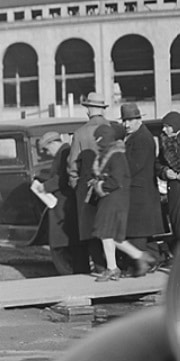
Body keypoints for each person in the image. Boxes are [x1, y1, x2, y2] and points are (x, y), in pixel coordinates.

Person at [89, 122, 156, 281]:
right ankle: (141, 257)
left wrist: (99, 184)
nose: (96, 142)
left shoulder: (115, 155)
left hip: (113, 199)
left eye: (97, 138)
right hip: (114, 198)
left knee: (106, 234)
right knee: (113, 236)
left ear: (103, 138)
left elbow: (116, 180)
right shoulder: (113, 153)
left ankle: (113, 268)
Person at [67, 92, 111, 271]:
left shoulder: (80, 133)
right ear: (102, 110)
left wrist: (75, 184)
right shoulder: (113, 128)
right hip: (111, 185)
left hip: (87, 186)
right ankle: (115, 264)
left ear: (89, 110)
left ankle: (100, 267)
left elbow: (73, 165)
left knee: (90, 229)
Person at [34, 131, 88, 274]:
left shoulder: (64, 153)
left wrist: (44, 187)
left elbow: (62, 178)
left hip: (64, 205)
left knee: (62, 245)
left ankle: (70, 274)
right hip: (65, 204)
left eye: (46, 149)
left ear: (52, 143)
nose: (47, 153)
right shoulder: (65, 152)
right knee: (70, 244)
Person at [119, 102, 163, 274]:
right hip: (142, 191)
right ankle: (153, 260)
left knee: (137, 231)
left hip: (138, 193)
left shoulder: (141, 139)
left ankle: (136, 267)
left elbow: (132, 166)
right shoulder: (139, 136)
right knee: (146, 231)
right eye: (124, 120)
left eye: (130, 120)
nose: (126, 124)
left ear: (138, 120)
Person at [156, 111, 180, 260]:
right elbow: (158, 164)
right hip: (175, 189)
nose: (164, 130)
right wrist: (165, 172)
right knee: (177, 224)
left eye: (167, 126)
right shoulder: (164, 142)